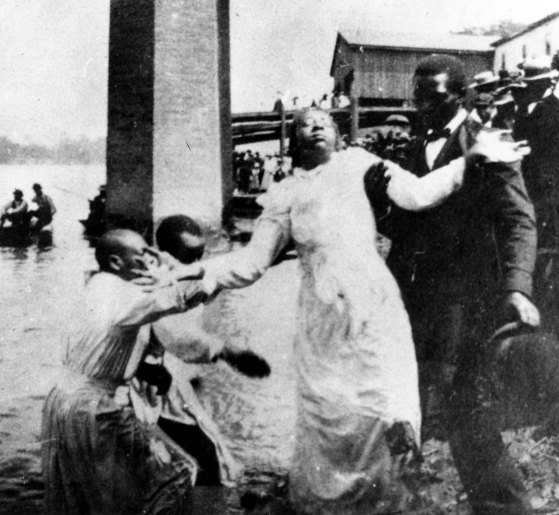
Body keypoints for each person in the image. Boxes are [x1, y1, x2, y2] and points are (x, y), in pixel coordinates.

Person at [190, 107, 527, 514]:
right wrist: (198, 277)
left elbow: (416, 195)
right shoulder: (285, 193)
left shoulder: (363, 164)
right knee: (329, 413)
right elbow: (252, 261)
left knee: (382, 403)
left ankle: (391, 498)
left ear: (338, 134)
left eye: (322, 123)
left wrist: (468, 160)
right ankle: (330, 504)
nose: (313, 129)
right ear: (294, 141)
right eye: (302, 126)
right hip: (320, 318)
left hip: (372, 304)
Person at [380, 55, 539, 515]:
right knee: (401, 394)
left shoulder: (489, 141)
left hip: (464, 294)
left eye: (438, 97)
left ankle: (504, 507)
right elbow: (407, 221)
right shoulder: (413, 147)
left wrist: (517, 286)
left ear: (463, 95)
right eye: (419, 96)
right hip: (412, 291)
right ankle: (399, 497)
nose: (425, 105)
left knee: (463, 403)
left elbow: (518, 218)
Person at [41, 228, 216, 514]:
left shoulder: (96, 285)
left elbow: (111, 340)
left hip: (63, 401)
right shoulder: (125, 293)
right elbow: (178, 299)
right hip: (97, 405)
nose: (149, 262)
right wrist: (196, 273)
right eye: (141, 257)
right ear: (115, 263)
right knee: (177, 472)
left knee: (81, 491)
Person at [134, 215, 268, 486]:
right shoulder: (159, 281)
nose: (196, 263)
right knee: (203, 454)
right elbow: (178, 337)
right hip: (153, 377)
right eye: (189, 257)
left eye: (200, 255)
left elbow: (219, 274)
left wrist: (272, 255)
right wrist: (227, 352)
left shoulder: (188, 271)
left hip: (170, 370)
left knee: (199, 448)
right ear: (166, 254)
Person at [512, 58, 559, 250]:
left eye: (534, 85)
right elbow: (519, 137)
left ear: (544, 84)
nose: (530, 89)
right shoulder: (523, 110)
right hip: (529, 177)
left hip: (551, 178)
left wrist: (543, 157)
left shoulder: (556, 107)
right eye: (528, 85)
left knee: (551, 228)